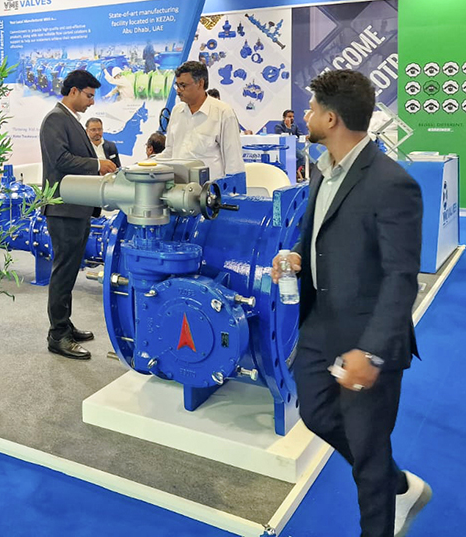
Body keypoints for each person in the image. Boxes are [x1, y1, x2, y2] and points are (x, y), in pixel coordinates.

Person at [270, 69, 430, 537]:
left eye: (312, 109)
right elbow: (320, 237)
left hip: (367, 337)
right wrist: (296, 256)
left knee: (368, 444)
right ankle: (393, 483)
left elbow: (402, 277)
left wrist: (372, 351)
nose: (306, 116)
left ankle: (381, 510)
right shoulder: (324, 170)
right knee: (317, 415)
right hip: (320, 324)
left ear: (331, 119)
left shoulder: (392, 183)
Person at [39, 70, 117, 360]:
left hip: (77, 208)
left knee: (70, 271)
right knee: (63, 272)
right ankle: (57, 335)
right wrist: (97, 165)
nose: (91, 102)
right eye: (89, 95)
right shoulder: (55, 119)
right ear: (73, 91)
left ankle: (65, 324)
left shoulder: (70, 120)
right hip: (63, 208)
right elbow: (60, 160)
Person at [152, 61, 245, 180]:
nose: (178, 91)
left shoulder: (223, 113)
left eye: (183, 85)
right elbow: (170, 152)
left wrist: (232, 190)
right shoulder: (177, 111)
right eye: (177, 85)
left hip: (210, 188)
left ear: (200, 83)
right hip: (178, 187)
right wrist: (145, 164)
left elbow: (234, 162)